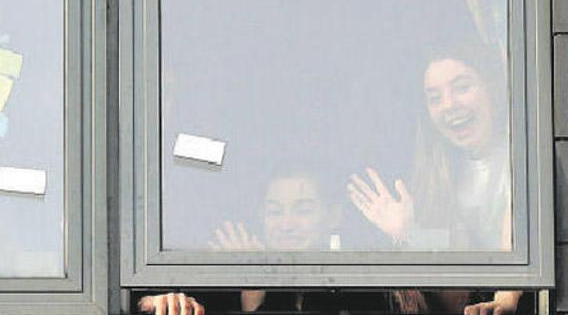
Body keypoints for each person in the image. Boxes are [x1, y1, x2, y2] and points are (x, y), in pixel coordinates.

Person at [347, 44, 521, 314]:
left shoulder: (522, 158)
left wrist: (508, 294)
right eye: (435, 97)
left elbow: (517, 226)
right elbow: (458, 252)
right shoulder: (445, 172)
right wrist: (407, 232)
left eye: (462, 87)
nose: (449, 104)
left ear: (493, 87)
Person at [138, 168, 354, 314]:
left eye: (303, 210)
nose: (287, 224)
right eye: (275, 211)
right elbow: (145, 302)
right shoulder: (223, 281)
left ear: (334, 216)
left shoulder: (357, 283)